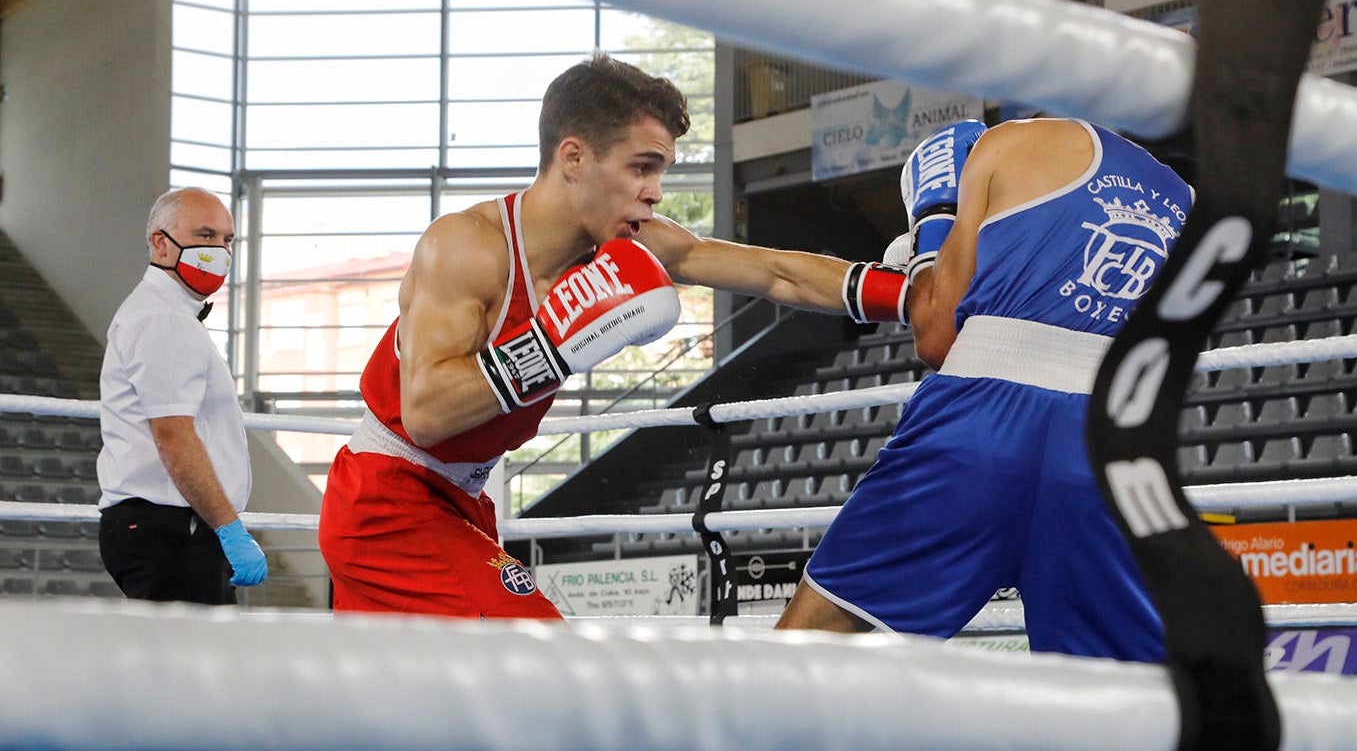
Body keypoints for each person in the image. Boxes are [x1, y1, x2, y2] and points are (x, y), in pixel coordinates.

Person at [318, 52, 911, 618]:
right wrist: (551, 346)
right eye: (641, 167)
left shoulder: (626, 243)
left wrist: (908, 295)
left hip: (464, 498)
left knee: (413, 704)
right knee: (537, 659)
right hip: (389, 496)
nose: (654, 192)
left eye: (661, 172)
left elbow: (773, 273)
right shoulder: (467, 246)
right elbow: (424, 413)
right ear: (573, 157)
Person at [775, 117, 1193, 664]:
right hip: (1118, 447)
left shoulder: (1013, 143)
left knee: (806, 652)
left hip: (986, 420)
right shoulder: (1194, 206)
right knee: (1113, 690)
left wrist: (934, 227)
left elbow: (937, 334)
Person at [97, 187, 268, 605]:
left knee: (185, 665)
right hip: (171, 528)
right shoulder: (162, 319)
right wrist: (229, 528)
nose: (220, 250)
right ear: (161, 242)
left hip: (173, 527)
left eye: (227, 240)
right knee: (190, 667)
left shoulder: (173, 315)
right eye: (205, 235)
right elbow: (174, 435)